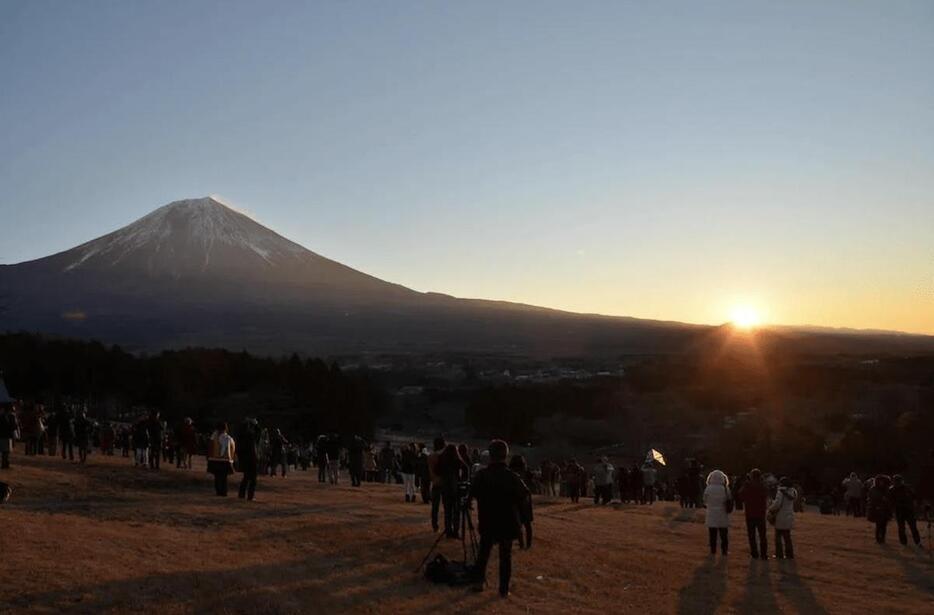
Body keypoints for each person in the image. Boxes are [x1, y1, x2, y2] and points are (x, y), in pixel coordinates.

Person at [470, 440, 531, 598]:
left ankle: (478, 582)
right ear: (505, 455)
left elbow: (472, 494)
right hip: (508, 521)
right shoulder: (512, 477)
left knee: (483, 553)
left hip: (488, 520)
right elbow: (524, 495)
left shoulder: (482, 475)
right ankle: (503, 589)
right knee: (505, 556)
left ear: (490, 456)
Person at [737, 468, 769, 560]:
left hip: (750, 513)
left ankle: (754, 553)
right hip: (761, 513)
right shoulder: (763, 485)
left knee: (752, 535)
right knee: (762, 535)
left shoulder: (748, 485)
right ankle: (764, 554)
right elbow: (766, 495)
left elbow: (740, 495)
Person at [703, 470, 732, 555]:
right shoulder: (725, 489)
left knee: (712, 534)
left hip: (711, 513)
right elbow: (729, 499)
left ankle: (713, 550)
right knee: (723, 535)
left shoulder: (708, 488)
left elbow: (704, 500)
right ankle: (724, 550)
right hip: (722, 513)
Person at [508, 455, 534, 549]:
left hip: (516, 498)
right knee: (527, 523)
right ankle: (528, 544)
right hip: (525, 499)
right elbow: (530, 486)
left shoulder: (511, 472)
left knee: (518, 523)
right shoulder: (527, 472)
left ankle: (522, 544)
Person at [889, 475, 922, 547]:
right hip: (899, 510)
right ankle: (903, 542)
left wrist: (915, 505)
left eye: (898, 481)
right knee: (901, 528)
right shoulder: (892, 490)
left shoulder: (907, 488)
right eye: (895, 481)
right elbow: (890, 502)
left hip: (908, 510)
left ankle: (917, 542)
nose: (897, 483)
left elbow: (914, 496)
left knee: (913, 527)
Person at [769, 477, 797, 559]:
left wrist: (770, 508)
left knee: (778, 538)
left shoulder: (780, 492)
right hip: (789, 516)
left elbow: (777, 504)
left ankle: (779, 554)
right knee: (787, 538)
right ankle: (789, 554)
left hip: (780, 517)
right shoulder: (793, 492)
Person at [207, 422, 236, 497]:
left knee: (217, 477)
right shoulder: (229, 438)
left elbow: (210, 447)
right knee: (224, 477)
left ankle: (219, 491)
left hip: (215, 460)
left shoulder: (214, 437)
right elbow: (232, 449)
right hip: (226, 461)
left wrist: (209, 457)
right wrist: (232, 460)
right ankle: (224, 491)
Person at [236, 419, 259, 501]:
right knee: (253, 479)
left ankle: (241, 494)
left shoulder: (242, 436)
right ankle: (250, 496)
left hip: (245, 459)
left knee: (246, 477)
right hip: (251, 459)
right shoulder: (250, 435)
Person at [867, 474, 893, 544]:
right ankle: (878, 539)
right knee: (878, 525)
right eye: (880, 481)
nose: (881, 483)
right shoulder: (874, 489)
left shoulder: (887, 490)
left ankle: (883, 538)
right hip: (877, 510)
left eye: (883, 481)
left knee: (884, 526)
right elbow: (871, 499)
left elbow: (890, 500)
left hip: (885, 510)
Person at [0, 405, 19, 470]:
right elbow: (14, 426)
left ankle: (5, 463)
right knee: (6, 451)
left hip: (3, 435)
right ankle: (5, 463)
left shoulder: (3, 416)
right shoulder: (11, 417)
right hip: (7, 435)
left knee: (4, 451)